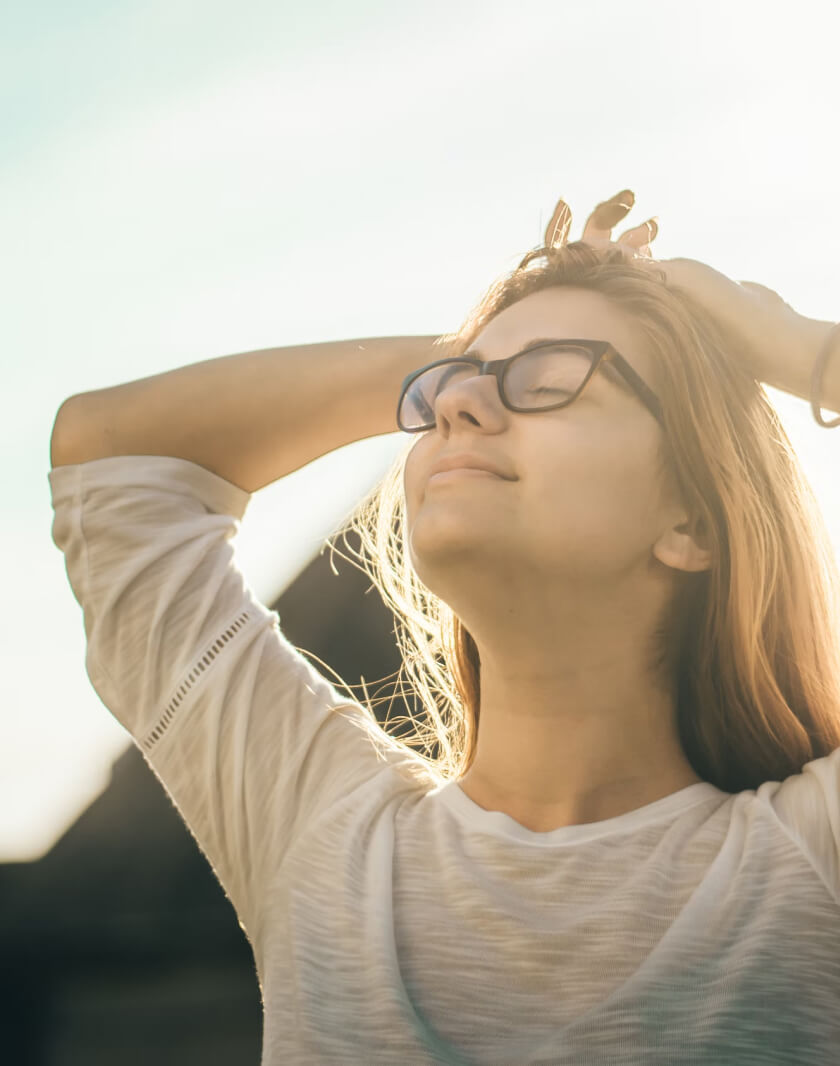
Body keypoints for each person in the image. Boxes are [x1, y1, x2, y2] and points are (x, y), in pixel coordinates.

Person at [49, 189, 840, 1064]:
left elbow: (120, 467)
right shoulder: (322, 834)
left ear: (693, 521)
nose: (459, 409)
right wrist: (470, 350)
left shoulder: (812, 861)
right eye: (443, 398)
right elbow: (112, 453)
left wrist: (797, 346)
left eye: (551, 382)